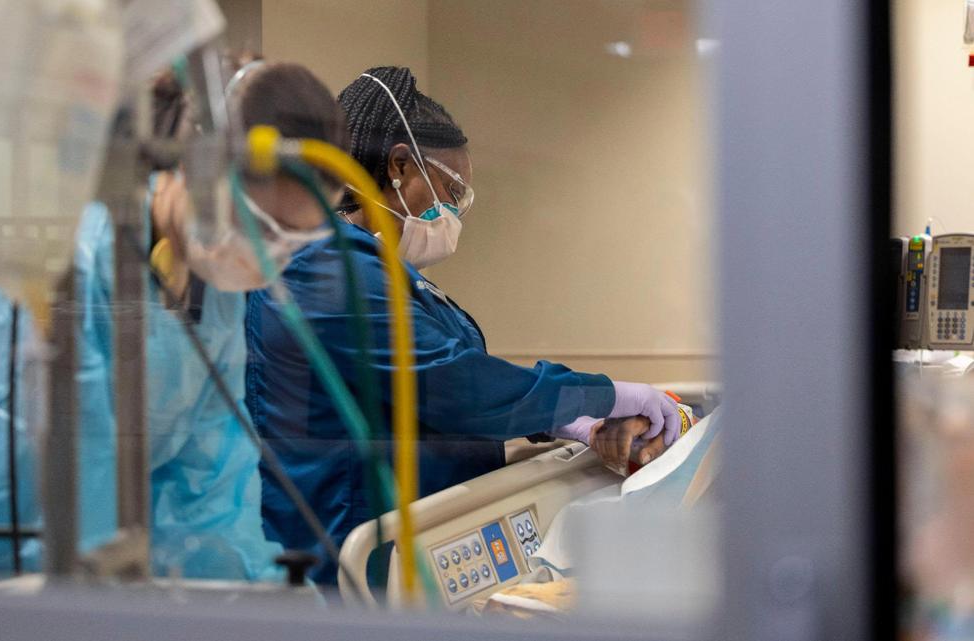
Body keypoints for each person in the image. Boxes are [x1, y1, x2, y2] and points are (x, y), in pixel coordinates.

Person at [0, 61, 347, 580]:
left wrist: (251, 591)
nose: (267, 257)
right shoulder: (69, 264)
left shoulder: (212, 295)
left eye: (293, 243)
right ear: (195, 163)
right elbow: (17, 506)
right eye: (262, 227)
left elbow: (208, 491)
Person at [246, 66, 680, 584]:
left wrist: (565, 423)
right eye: (451, 192)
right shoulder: (324, 267)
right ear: (400, 167)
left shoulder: (382, 273)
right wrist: (602, 396)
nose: (455, 214)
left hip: (412, 544)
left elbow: (457, 375)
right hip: (345, 555)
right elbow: (454, 384)